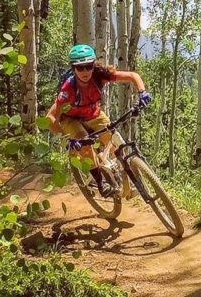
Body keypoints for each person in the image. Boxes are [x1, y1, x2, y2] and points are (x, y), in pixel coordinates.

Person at [46, 44, 151, 196]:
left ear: (93, 65)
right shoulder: (68, 88)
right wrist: (66, 137)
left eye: (88, 66)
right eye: (80, 67)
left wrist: (142, 93)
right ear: (73, 68)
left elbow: (133, 76)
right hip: (71, 119)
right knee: (85, 144)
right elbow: (50, 117)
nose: (85, 71)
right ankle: (100, 183)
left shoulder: (100, 75)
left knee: (116, 144)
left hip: (94, 114)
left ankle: (124, 176)